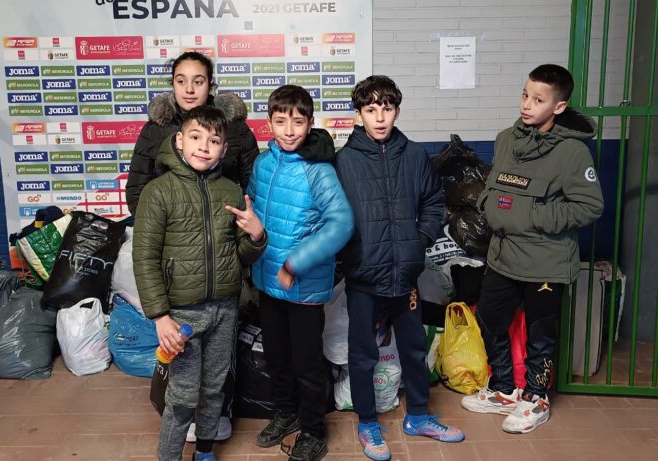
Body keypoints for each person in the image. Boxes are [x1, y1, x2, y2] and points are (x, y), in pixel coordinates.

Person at [461, 64, 604, 434]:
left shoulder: (572, 153)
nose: (527, 104)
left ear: (558, 106)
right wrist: (489, 205)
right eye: (525, 95)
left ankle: (536, 398)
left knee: (541, 334)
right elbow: (499, 185)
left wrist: (533, 214)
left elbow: (589, 206)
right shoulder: (507, 138)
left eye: (538, 99)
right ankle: (504, 389)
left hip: (545, 261)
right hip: (502, 254)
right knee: (489, 320)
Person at [333, 75, 465, 461]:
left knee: (411, 346)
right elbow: (335, 216)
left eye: (386, 108)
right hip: (364, 276)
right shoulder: (345, 161)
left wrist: (417, 240)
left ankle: (419, 415)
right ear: (358, 115)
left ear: (397, 111)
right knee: (362, 353)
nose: (379, 117)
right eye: (371, 109)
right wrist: (350, 253)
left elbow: (433, 203)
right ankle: (368, 422)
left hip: (406, 274)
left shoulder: (414, 155)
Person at [132, 106, 268, 461]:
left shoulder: (232, 191)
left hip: (224, 309)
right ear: (179, 140)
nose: (204, 147)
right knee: (182, 394)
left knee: (214, 389)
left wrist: (256, 236)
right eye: (196, 137)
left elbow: (239, 256)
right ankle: (169, 456)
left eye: (214, 141)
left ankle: (205, 451)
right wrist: (160, 316)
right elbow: (144, 258)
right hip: (181, 314)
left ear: (224, 149)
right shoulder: (157, 192)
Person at [246, 85, 353, 461]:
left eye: (298, 121)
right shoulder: (263, 164)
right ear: (269, 123)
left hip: (304, 287)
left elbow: (341, 224)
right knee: (277, 357)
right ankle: (285, 413)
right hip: (268, 282)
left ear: (310, 124)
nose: (289, 130)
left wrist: (296, 262)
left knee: (308, 365)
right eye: (280, 121)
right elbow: (254, 217)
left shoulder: (319, 171)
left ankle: (312, 431)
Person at [125, 51, 260, 216]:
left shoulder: (234, 127)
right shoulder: (155, 130)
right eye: (181, 81)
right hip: (172, 232)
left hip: (222, 230)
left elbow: (254, 188)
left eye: (198, 82)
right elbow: (137, 191)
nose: (189, 89)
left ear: (210, 85)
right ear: (172, 83)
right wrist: (159, 228)